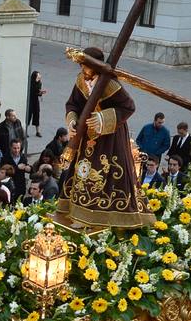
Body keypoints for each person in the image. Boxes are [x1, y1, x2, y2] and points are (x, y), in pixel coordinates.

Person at [57, 46, 147, 227]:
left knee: (105, 171)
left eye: (86, 66)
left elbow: (128, 107)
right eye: (82, 66)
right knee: (82, 172)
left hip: (109, 137)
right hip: (86, 136)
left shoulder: (110, 84)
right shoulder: (81, 80)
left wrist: (102, 118)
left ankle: (103, 215)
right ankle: (79, 211)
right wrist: (73, 121)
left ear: (95, 66)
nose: (83, 70)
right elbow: (73, 103)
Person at [26, 70, 45, 136]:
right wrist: (38, 92)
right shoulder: (30, 83)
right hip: (30, 100)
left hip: (35, 100)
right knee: (29, 115)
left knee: (37, 114)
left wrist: (41, 93)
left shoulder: (39, 83)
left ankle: (37, 131)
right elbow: (31, 92)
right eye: (38, 76)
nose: (39, 77)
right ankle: (26, 131)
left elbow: (38, 92)